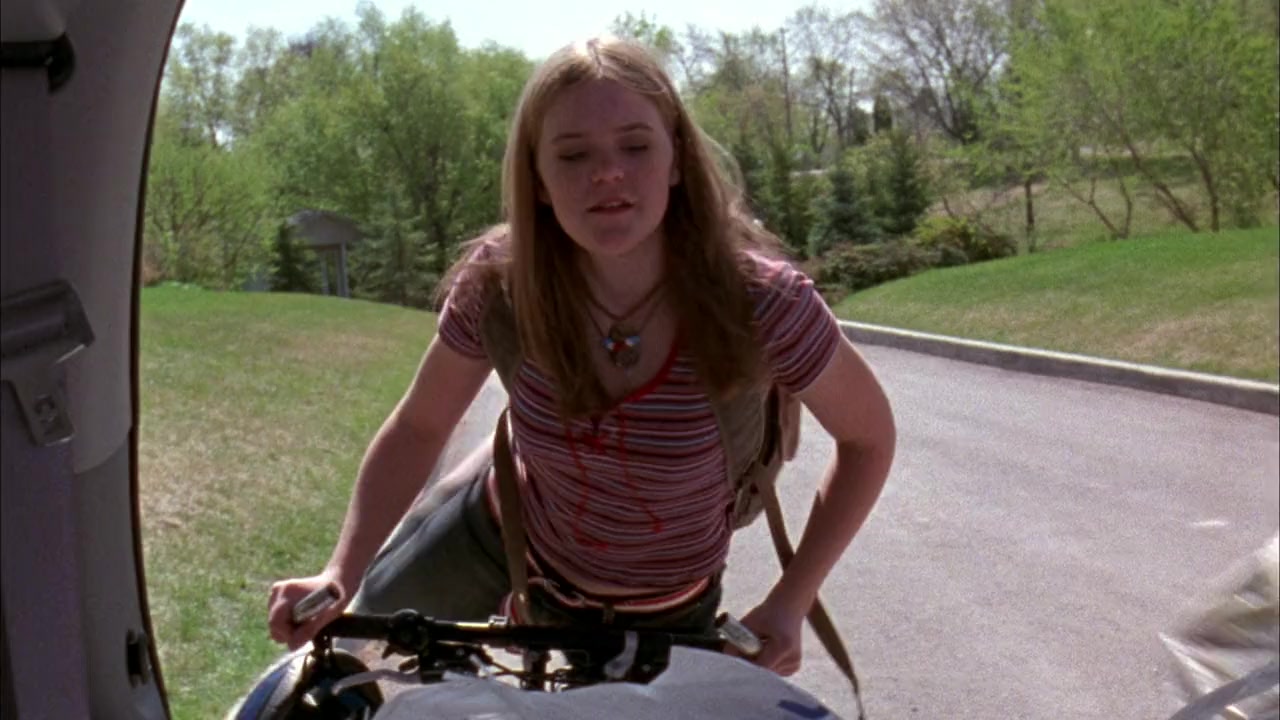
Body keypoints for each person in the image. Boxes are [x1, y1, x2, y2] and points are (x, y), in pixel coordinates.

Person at [266, 35, 896, 678]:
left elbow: (868, 440)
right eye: (573, 155)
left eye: (635, 146)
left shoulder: (764, 302)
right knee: (350, 667)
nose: (607, 173)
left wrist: (791, 600)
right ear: (538, 180)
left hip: (668, 606)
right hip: (504, 536)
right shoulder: (499, 285)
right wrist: (339, 573)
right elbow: (419, 426)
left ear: (677, 160)